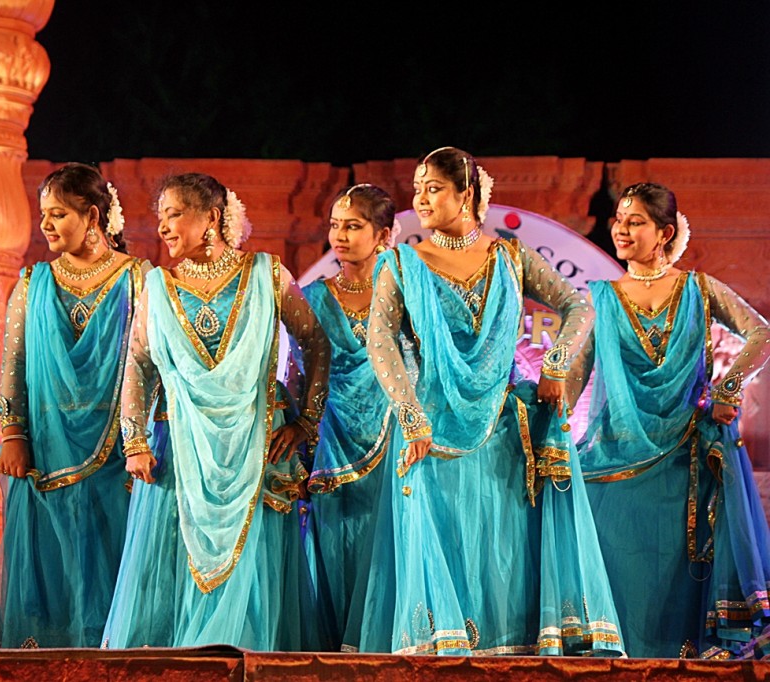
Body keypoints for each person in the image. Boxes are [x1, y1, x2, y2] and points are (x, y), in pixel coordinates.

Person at [349, 146, 623, 656]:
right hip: (428, 433)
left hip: (502, 431)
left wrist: (557, 364)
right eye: (417, 189)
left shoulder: (510, 257)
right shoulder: (401, 262)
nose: (421, 199)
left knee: (503, 553)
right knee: (440, 551)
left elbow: (577, 305)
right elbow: (380, 338)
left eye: (434, 188)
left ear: (466, 193)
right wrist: (410, 416)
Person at [102, 172, 330, 651]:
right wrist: (135, 442)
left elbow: (316, 343)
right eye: (159, 217)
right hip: (176, 452)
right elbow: (137, 366)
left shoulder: (267, 275)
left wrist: (305, 422)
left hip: (256, 448)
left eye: (174, 214)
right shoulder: (158, 285)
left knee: (255, 578)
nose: (163, 228)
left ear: (210, 217)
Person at [569, 182, 770, 659]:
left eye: (634, 221)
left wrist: (727, 387)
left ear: (664, 232)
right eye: (618, 220)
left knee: (681, 565)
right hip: (617, 456)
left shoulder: (699, 289)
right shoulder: (600, 297)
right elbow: (578, 370)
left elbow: (759, 333)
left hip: (684, 452)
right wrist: (547, 416)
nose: (620, 230)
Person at [0, 163, 149, 648]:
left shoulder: (140, 279)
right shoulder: (34, 282)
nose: (45, 224)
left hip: (116, 452)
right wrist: (12, 434)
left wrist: (145, 439)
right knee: (48, 570)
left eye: (58, 214)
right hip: (45, 451)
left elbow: (152, 365)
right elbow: (15, 361)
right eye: (43, 214)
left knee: (112, 561)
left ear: (92, 216)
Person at [296, 184, 397, 649]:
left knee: (387, 543)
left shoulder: (403, 291)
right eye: (335, 225)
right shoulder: (312, 297)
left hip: (393, 433)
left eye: (353, 226)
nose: (340, 235)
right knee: (335, 542)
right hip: (330, 436)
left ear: (383, 234)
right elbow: (296, 372)